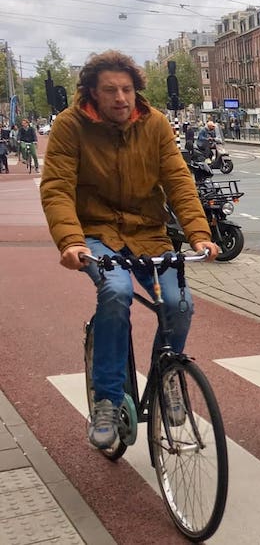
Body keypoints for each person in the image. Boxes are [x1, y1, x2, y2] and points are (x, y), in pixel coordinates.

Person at [39, 50, 218, 449]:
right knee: (116, 292)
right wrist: (70, 242)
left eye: (128, 89)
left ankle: (168, 379)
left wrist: (199, 234)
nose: (121, 98)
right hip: (96, 233)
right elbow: (57, 189)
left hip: (147, 232)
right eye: (111, 91)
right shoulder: (71, 126)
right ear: (92, 93)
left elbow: (178, 181)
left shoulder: (154, 124)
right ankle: (106, 399)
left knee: (181, 302)